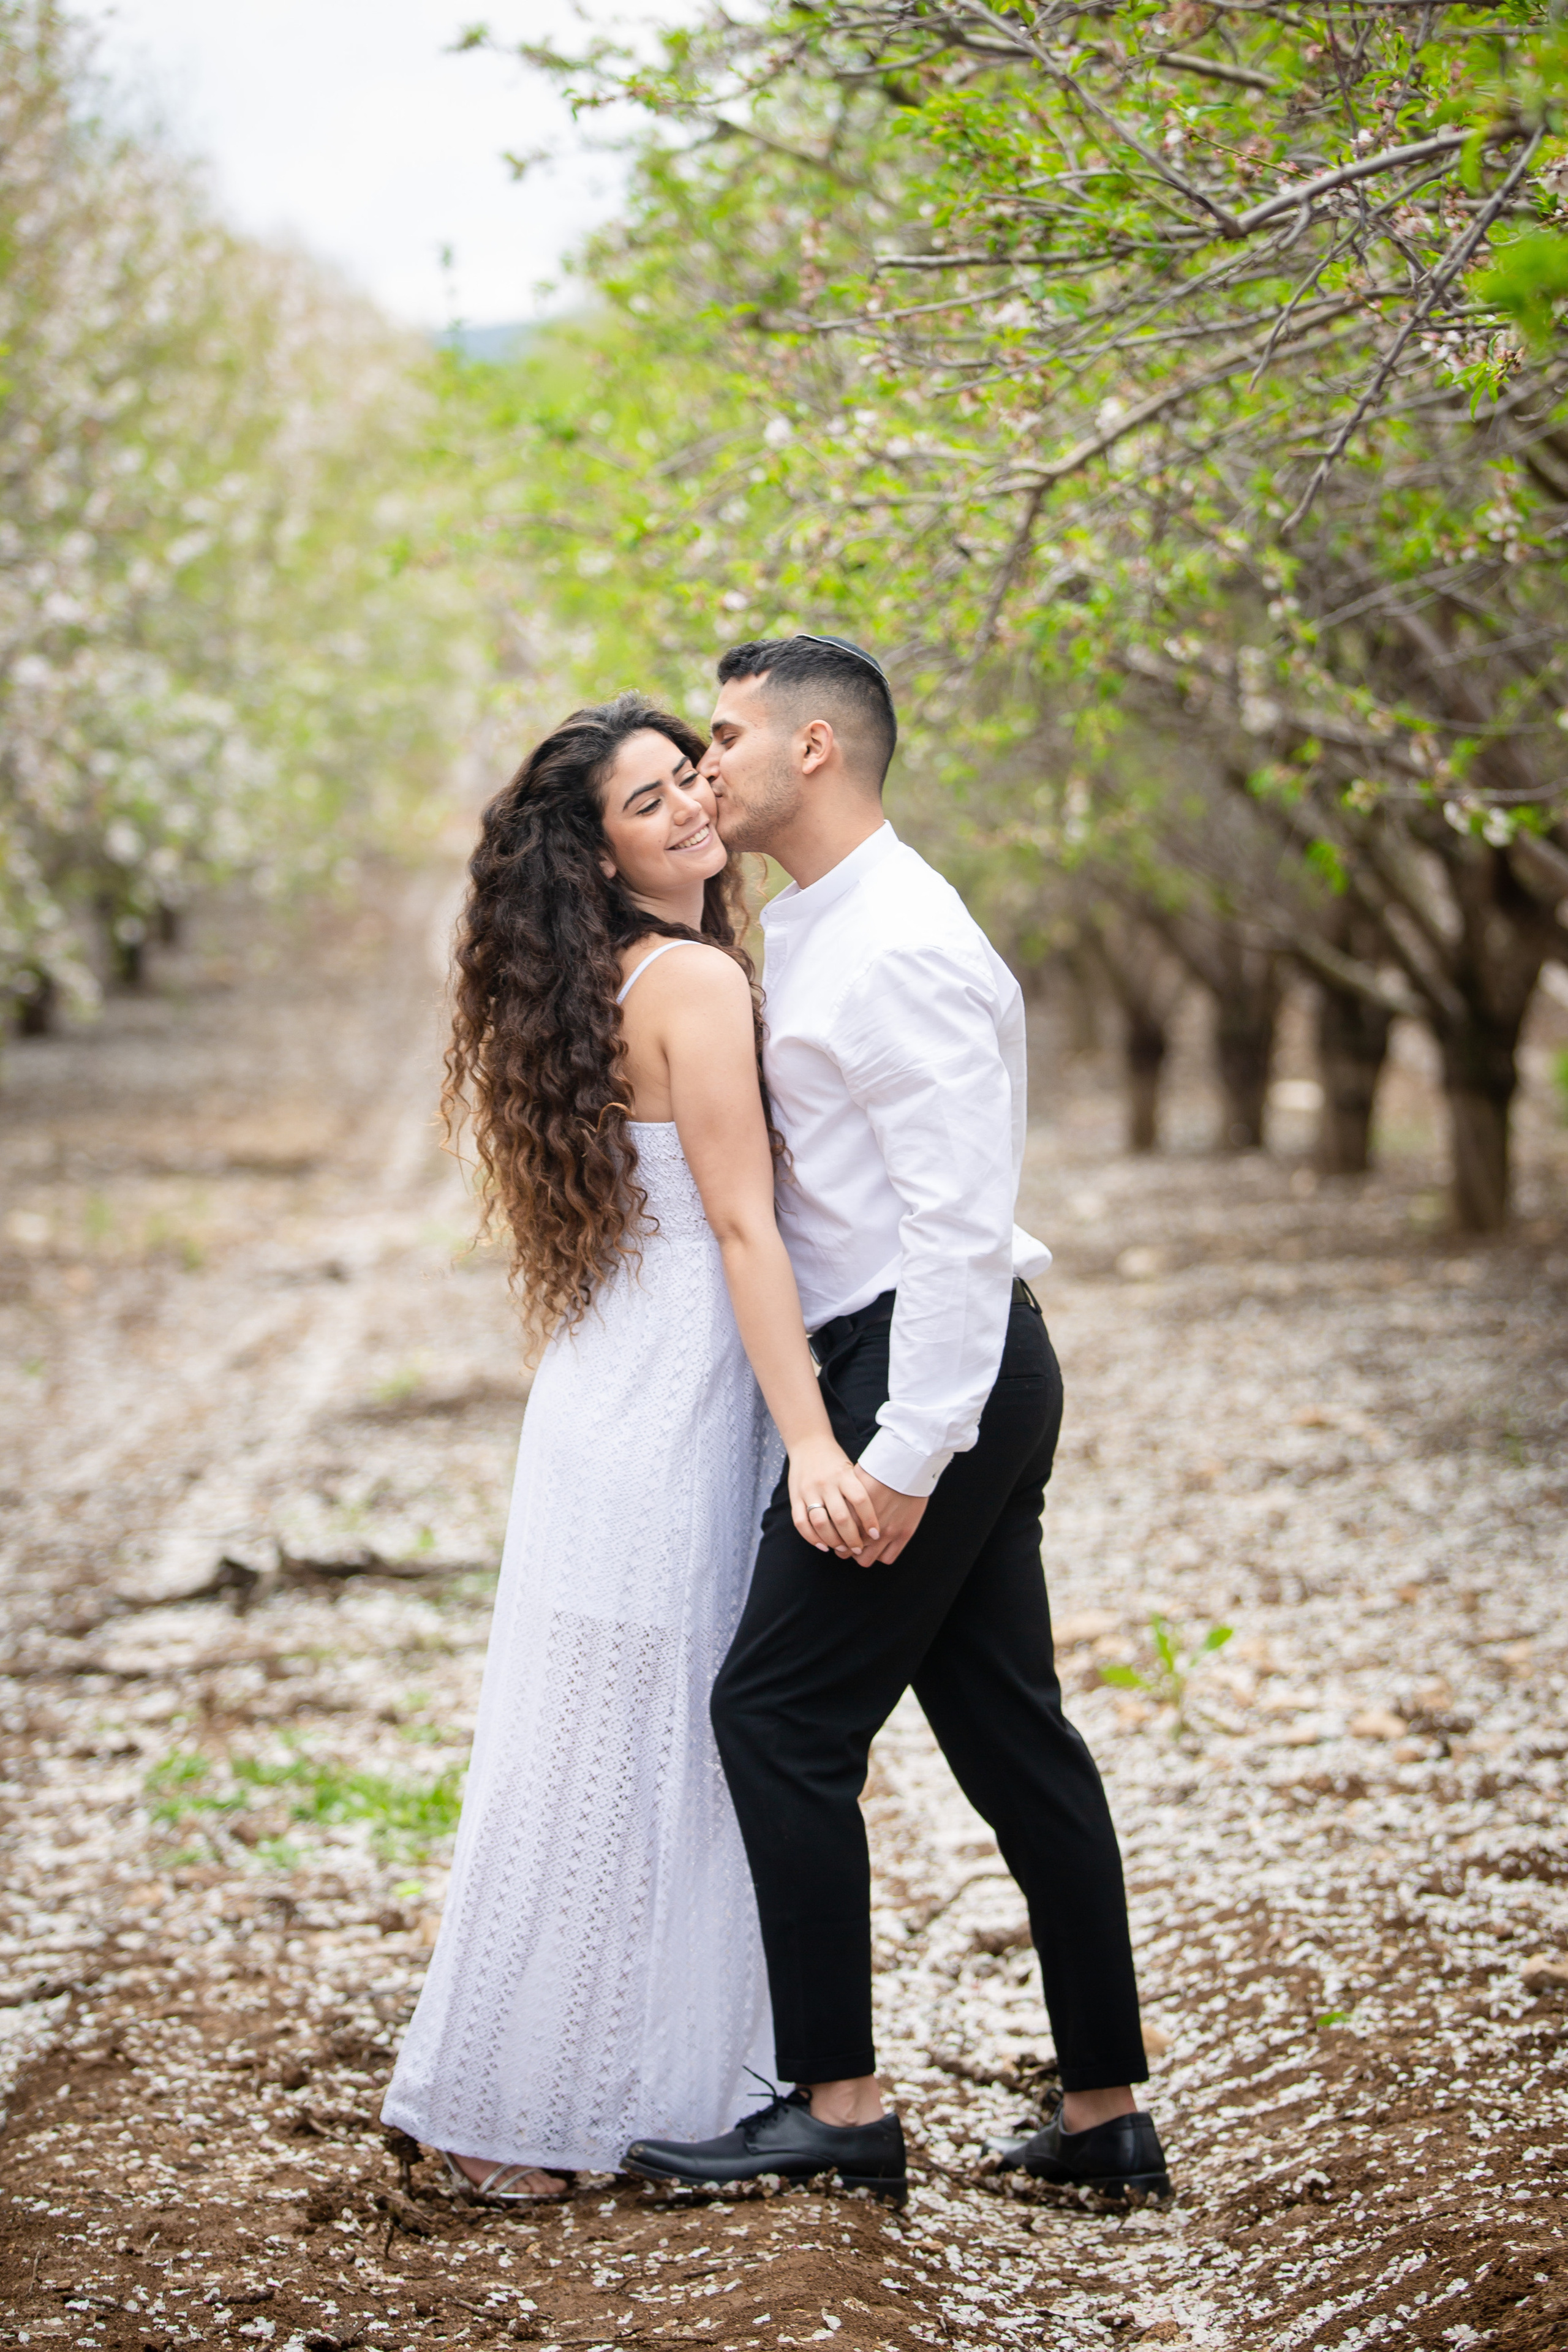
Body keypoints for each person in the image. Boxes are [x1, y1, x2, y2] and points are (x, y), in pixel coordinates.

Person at [622, 636, 1170, 2205]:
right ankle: (1101, 2113)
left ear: (812, 750)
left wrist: (902, 1452)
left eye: (722, 737)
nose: (702, 764)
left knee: (775, 1716)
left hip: (931, 1369)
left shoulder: (903, 943)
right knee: (1014, 1742)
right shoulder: (819, 924)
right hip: (938, 1366)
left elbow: (952, 1226)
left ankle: (840, 2108)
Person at [381, 693, 880, 2200]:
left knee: (581, 1753)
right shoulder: (697, 983)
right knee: (663, 1755)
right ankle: (595, 2100)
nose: (687, 810)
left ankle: (536, 2094)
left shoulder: (584, 983)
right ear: (594, 858)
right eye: (644, 803)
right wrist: (809, 1437)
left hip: (597, 1396)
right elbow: (739, 1226)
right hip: (671, 1405)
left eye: (688, 779)